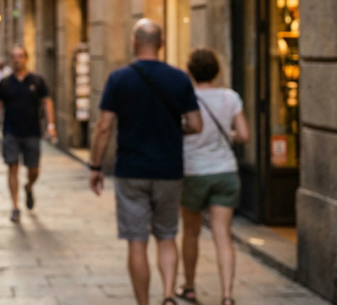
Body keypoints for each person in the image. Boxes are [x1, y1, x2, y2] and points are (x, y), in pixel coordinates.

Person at [88, 19, 203, 305]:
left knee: (136, 241)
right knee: (166, 235)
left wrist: (96, 166)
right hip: (169, 170)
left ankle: (144, 303)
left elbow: (103, 127)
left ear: (134, 43)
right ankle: (167, 294)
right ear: (161, 43)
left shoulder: (119, 78)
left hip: (132, 171)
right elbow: (196, 124)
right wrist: (176, 128)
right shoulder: (179, 78)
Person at [175, 48, 250, 305]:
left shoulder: (186, 97)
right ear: (217, 71)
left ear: (190, 71)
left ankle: (189, 286)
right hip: (225, 172)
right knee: (222, 234)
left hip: (194, 172)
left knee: (191, 232)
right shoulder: (230, 97)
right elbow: (245, 135)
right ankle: (227, 294)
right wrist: (228, 135)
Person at [0, 45, 55, 223]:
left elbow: (47, 102)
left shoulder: (37, 80)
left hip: (32, 132)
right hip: (11, 132)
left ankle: (28, 186)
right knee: (12, 167)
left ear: (26, 58)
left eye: (20, 56)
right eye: (14, 56)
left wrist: (51, 125)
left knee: (33, 170)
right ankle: (15, 206)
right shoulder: (5, 83)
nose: (17, 59)